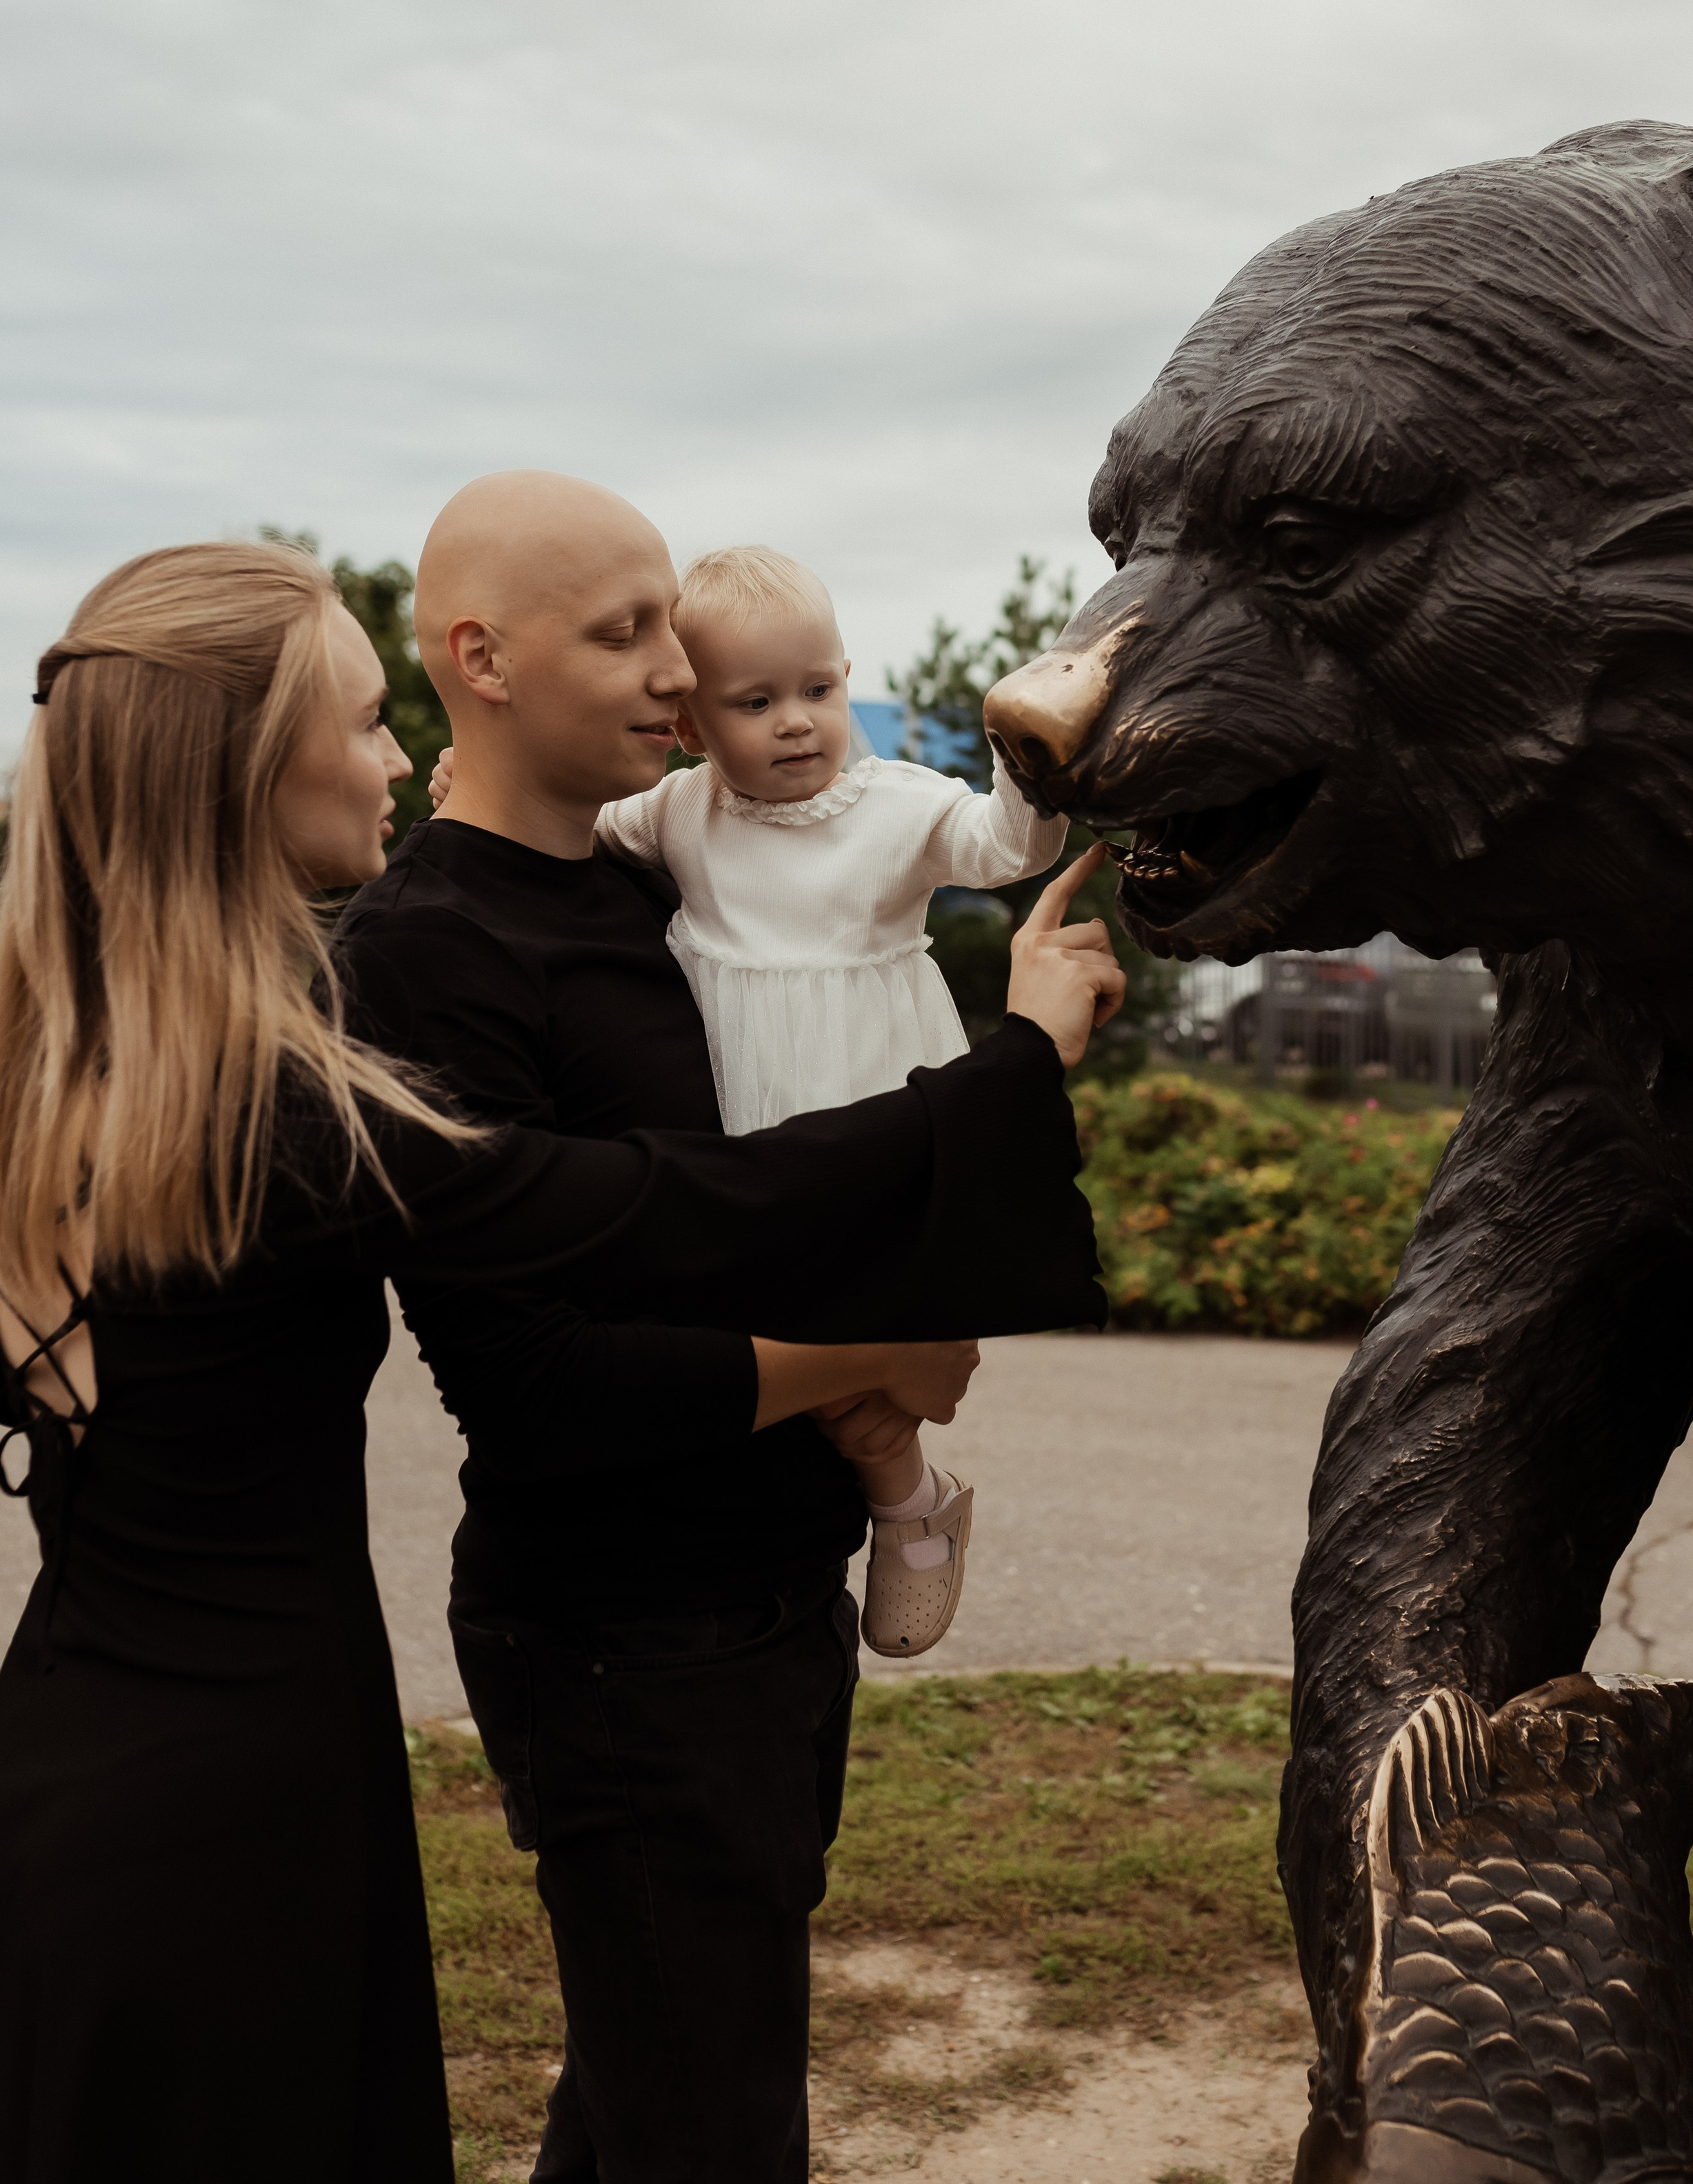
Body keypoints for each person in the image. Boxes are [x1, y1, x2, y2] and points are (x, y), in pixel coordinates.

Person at [0, 537, 1118, 2184]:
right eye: (358, 724)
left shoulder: (29, 1081)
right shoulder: (289, 1110)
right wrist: (1014, 1064)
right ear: (237, 770)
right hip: (243, 1792)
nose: (389, 758)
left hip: (69, 1768)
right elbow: (665, 1211)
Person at [336, 472, 1121, 2184]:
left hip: (765, 1593)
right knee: (713, 2122)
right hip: (624, 1630)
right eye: (630, 639)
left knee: (652, 2101)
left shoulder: (650, 887)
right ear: (479, 658)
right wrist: (884, 1344)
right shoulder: (425, 949)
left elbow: (792, 1151)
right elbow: (537, 1388)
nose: (678, 683)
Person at [430, 538, 1071, 1661]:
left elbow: (1005, 844)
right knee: (774, 1332)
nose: (797, 722)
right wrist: (457, 784)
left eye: (820, 689)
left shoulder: (895, 806)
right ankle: (908, 1493)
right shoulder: (678, 816)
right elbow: (552, 826)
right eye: (756, 700)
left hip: (874, 1104)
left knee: (879, 1311)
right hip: (746, 1129)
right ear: (693, 726)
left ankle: (902, 1492)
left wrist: (1026, 752)